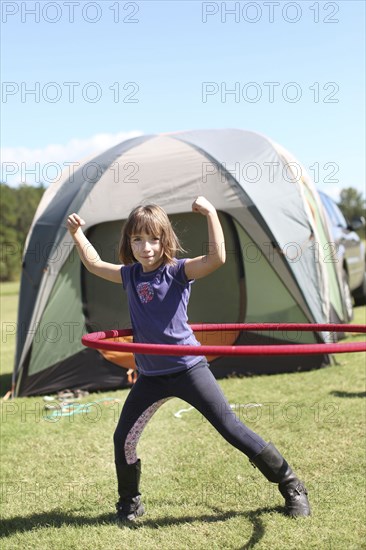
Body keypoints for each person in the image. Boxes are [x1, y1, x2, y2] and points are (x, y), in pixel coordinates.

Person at [67, 196, 310, 522]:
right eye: (137, 239)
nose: (145, 247)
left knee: (231, 428)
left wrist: (210, 213)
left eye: (153, 239)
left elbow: (217, 258)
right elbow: (95, 265)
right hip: (150, 376)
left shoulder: (178, 271)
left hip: (188, 369)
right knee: (123, 439)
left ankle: (291, 484)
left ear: (164, 240)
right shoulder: (130, 276)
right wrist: (78, 234)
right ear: (129, 242)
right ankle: (130, 502)